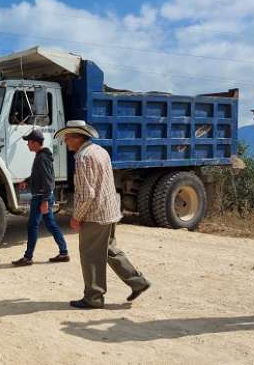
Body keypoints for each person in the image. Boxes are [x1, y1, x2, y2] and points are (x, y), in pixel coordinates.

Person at [54, 120, 150, 308]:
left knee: (90, 255)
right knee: (109, 250)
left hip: (95, 214)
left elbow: (86, 193)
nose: (65, 141)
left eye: (68, 137)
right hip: (109, 210)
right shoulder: (99, 151)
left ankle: (94, 297)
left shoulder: (83, 157)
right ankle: (138, 282)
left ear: (78, 137)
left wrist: (76, 216)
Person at [12, 129, 69, 267]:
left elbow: (48, 180)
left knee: (33, 226)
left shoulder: (42, 157)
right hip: (42, 196)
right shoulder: (41, 156)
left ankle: (28, 257)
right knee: (50, 224)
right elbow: (39, 176)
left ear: (35, 142)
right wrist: (27, 180)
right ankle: (63, 252)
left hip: (41, 198)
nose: (27, 145)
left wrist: (44, 200)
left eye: (29, 142)